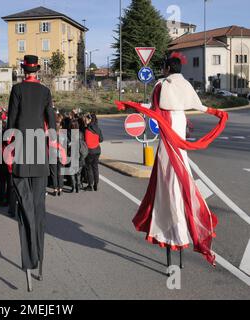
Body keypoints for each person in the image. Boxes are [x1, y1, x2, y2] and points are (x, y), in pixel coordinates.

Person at [115, 52, 228, 267]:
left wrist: (132, 105)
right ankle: (181, 231)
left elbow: (154, 112)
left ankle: (170, 233)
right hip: (178, 126)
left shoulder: (161, 85)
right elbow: (201, 106)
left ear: (167, 68)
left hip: (167, 136)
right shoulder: (185, 84)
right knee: (181, 177)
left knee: (167, 184)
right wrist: (218, 113)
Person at [7, 55, 56, 292]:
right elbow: (53, 125)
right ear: (37, 71)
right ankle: (40, 262)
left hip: (21, 157)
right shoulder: (46, 92)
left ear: (23, 70)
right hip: (40, 157)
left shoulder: (16, 89)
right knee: (39, 210)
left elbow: (10, 125)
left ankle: (28, 261)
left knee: (24, 210)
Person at [84, 113, 102, 191]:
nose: (86, 121)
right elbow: (101, 139)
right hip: (97, 150)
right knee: (95, 167)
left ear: (90, 120)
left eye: (87, 119)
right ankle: (96, 184)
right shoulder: (98, 128)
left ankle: (90, 185)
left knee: (89, 168)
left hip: (90, 151)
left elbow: (85, 141)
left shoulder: (87, 129)